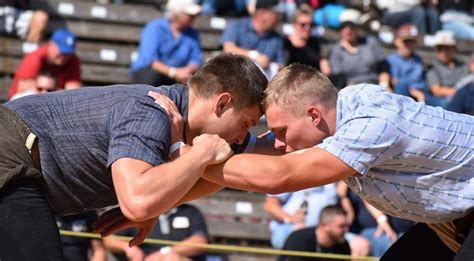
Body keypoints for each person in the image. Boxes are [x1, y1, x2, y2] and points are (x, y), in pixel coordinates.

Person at [136, 63, 473, 260]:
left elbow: (279, 176)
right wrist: (158, 199)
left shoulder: (374, 125)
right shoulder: (341, 113)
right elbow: (251, 156)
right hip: (451, 219)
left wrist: (184, 152)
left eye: (281, 131)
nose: (277, 142)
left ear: (313, 115)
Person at [0, 53, 267, 260]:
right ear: (222, 103)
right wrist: (201, 153)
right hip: (9, 153)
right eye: (246, 123)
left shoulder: (180, 122)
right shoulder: (151, 112)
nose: (243, 137)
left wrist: (160, 202)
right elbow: (138, 202)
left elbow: (229, 174)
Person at [130, 0, 203, 86]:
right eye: (190, 15)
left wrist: (186, 71)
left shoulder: (193, 34)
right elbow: (150, 59)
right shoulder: (155, 27)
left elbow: (195, 60)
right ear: (177, 14)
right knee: (152, 77)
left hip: (178, 77)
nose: (193, 17)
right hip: (151, 74)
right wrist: (174, 73)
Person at [105, 204, 208, 261]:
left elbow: (199, 242)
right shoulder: (139, 214)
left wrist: (164, 252)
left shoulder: (190, 212)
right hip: (144, 258)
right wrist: (128, 248)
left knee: (171, 259)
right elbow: (109, 240)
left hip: (179, 258)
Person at [7, 28, 81, 99]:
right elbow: (22, 87)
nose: (64, 56)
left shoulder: (73, 60)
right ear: (51, 44)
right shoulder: (36, 56)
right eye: (61, 51)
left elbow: (73, 91)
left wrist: (50, 88)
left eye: (67, 53)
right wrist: (51, 89)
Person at [221, 0, 284, 79]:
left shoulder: (277, 38)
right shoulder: (236, 26)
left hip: (263, 82)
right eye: (276, 14)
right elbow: (228, 49)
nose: (279, 19)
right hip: (234, 77)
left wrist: (269, 65)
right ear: (263, 14)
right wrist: (254, 56)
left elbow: (281, 65)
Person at [328, 9, 390, 88]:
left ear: (358, 28)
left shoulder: (371, 43)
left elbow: (383, 67)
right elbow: (338, 77)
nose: (347, 31)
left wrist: (384, 85)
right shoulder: (337, 50)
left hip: (375, 86)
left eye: (351, 27)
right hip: (351, 89)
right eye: (343, 27)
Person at [278, 205, 351, 261]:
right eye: (341, 226)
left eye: (347, 226)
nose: (346, 229)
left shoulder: (343, 245)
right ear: (324, 225)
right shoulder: (299, 241)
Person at [283, 4, 330, 75]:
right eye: (303, 24)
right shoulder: (286, 44)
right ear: (295, 24)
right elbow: (282, 69)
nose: (307, 28)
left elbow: (326, 71)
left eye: (311, 24)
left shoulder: (315, 44)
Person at [426, 30, 469, 107]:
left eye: (446, 48)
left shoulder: (464, 66)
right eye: (439, 49)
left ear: (454, 49)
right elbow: (437, 90)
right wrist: (461, 94)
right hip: (443, 102)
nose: (443, 52)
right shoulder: (433, 68)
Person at [386, 24, 427, 103]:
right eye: (406, 41)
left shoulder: (418, 59)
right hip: (399, 96)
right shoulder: (391, 60)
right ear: (397, 42)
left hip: (420, 94)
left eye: (412, 41)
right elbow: (396, 82)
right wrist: (413, 90)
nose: (409, 45)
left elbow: (419, 80)